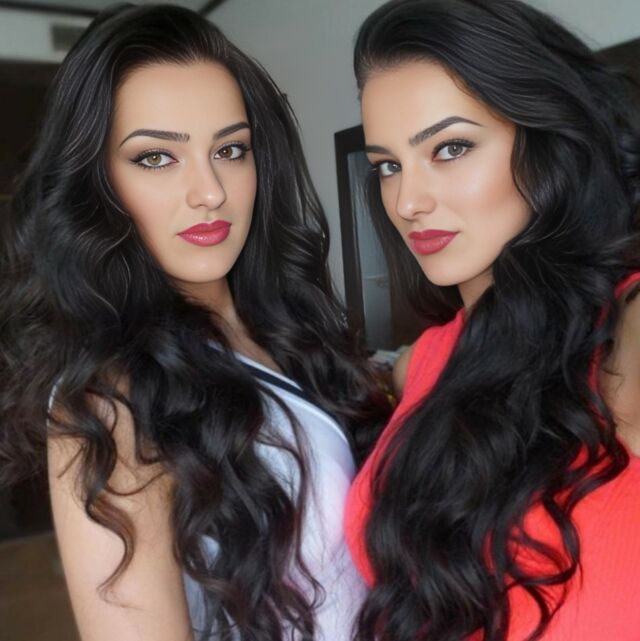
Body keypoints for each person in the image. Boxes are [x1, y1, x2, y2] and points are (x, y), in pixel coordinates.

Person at [0, 5, 390, 641]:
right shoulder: (111, 401)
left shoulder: (281, 329)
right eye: (157, 158)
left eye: (230, 150)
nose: (210, 190)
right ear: (97, 182)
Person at [344, 1, 640, 640]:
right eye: (388, 166)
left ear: (545, 142)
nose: (407, 200)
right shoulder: (425, 360)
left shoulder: (627, 328)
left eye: (450, 148)